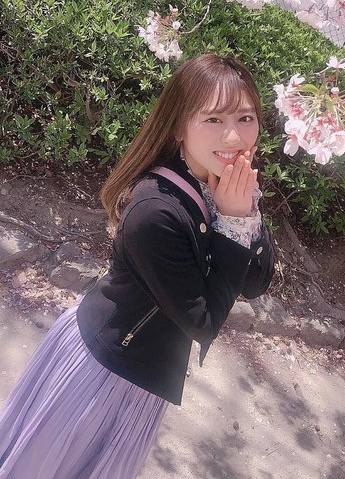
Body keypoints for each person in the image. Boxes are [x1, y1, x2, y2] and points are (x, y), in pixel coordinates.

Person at [0, 53, 276, 479]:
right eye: (213, 119)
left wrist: (247, 212)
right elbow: (203, 322)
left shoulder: (220, 180)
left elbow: (255, 282)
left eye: (245, 118)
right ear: (179, 125)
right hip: (104, 370)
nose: (234, 136)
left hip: (143, 375)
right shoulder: (155, 210)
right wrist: (235, 222)